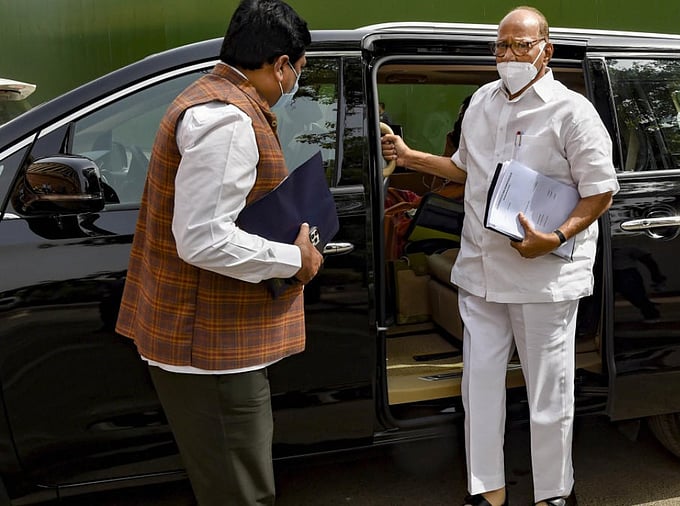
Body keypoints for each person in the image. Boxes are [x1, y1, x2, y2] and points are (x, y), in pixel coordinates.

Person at [381, 7, 618, 506]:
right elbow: (465, 168)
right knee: (480, 388)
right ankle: (486, 492)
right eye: (501, 46)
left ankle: (555, 494)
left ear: (546, 51)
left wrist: (555, 237)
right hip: (481, 269)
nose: (509, 55)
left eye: (521, 45)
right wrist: (409, 156)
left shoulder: (572, 112)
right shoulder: (482, 102)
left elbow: (600, 190)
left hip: (542, 276)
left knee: (548, 394)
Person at [115, 1, 322, 504]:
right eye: (298, 70)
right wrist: (296, 260)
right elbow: (204, 238)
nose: (295, 82)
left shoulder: (215, 101)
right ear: (281, 65)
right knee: (240, 493)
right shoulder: (227, 120)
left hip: (211, 346)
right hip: (211, 356)